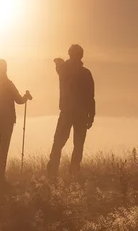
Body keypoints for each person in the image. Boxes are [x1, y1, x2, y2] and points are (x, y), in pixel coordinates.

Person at [47, 44, 95, 177]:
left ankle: (52, 173)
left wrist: (58, 61)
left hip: (67, 112)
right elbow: (91, 95)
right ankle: (74, 173)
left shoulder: (63, 70)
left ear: (70, 54)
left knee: (58, 142)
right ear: (81, 56)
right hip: (82, 113)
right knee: (78, 144)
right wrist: (91, 116)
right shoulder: (86, 73)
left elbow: (59, 66)